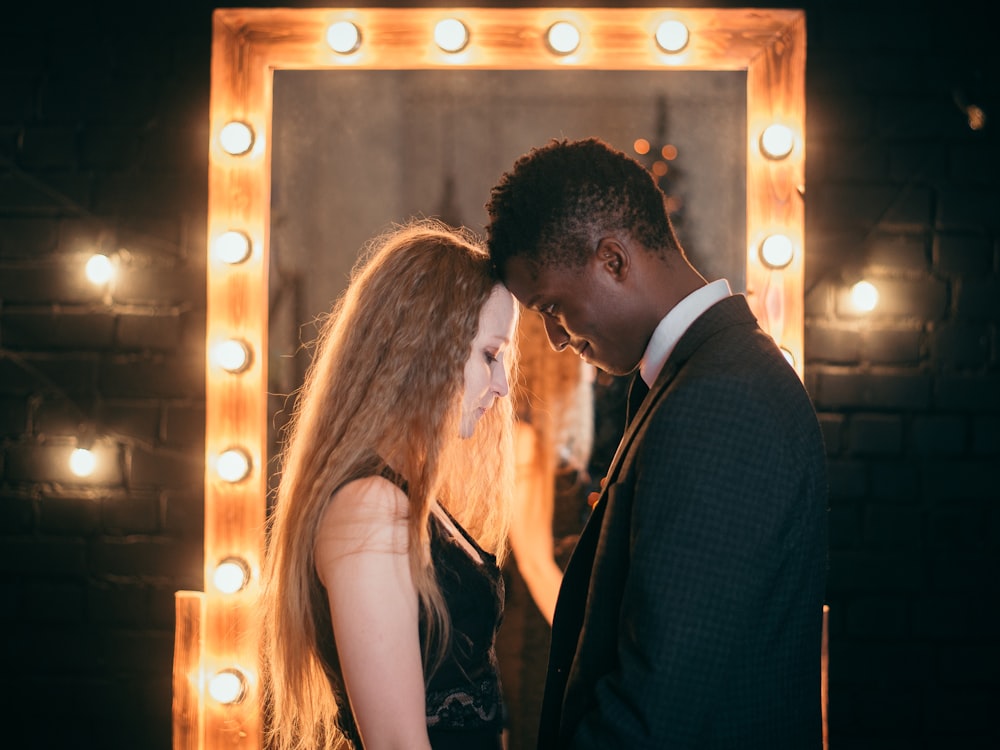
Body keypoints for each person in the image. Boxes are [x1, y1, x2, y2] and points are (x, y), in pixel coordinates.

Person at [485, 137, 829, 749]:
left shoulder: (719, 398)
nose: (555, 339)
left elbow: (656, 703)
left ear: (614, 260)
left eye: (553, 307)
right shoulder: (706, 375)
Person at [260, 218, 519, 750]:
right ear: (426, 348)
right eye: (490, 355)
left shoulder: (404, 493)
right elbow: (399, 743)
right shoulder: (368, 507)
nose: (502, 385)